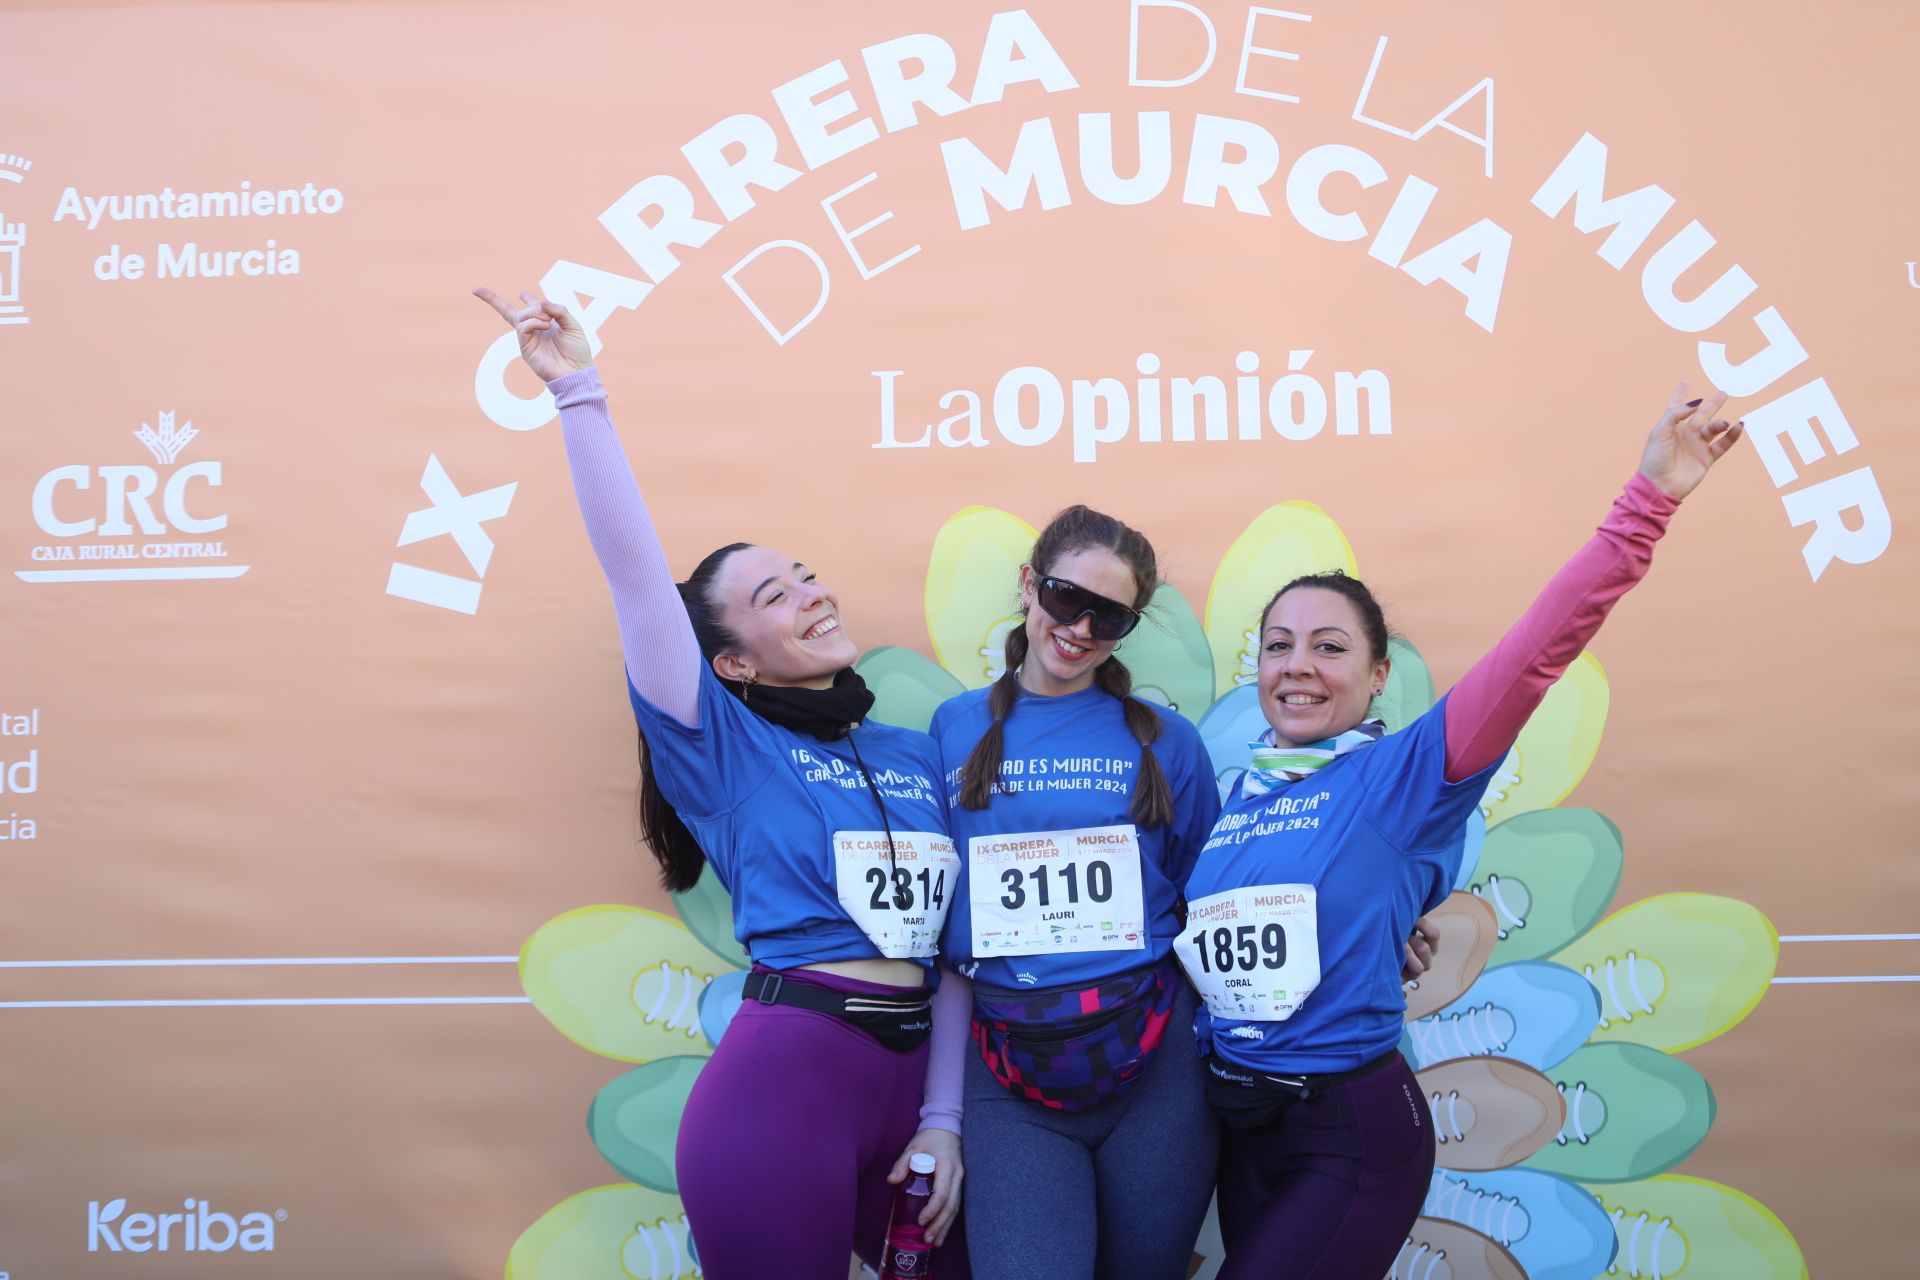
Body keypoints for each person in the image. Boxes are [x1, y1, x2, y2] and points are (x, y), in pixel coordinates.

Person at [1178, 387, 1746, 1277]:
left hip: (1349, 1136)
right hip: (1244, 1130)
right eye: (1277, 645)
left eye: (1329, 647)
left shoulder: (1404, 774)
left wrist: (1647, 503)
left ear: (1375, 677)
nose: (1296, 666)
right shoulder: (1239, 800)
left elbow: (1536, 655)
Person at [474, 288, 972, 1278]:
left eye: (805, 573)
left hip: (918, 1093)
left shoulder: (915, 754)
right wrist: (577, 389)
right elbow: (632, 576)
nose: (812, 594)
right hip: (784, 1089)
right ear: (733, 662)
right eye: (772, 596)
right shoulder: (721, 743)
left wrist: (947, 1118)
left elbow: (958, 952)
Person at [928, 506, 1224, 1278]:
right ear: (1029, 584)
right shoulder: (951, 730)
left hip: (1156, 1068)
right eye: (1065, 598)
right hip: (1007, 1065)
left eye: (1111, 616)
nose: (1081, 627)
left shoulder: (1168, 741)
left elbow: (1219, 897)